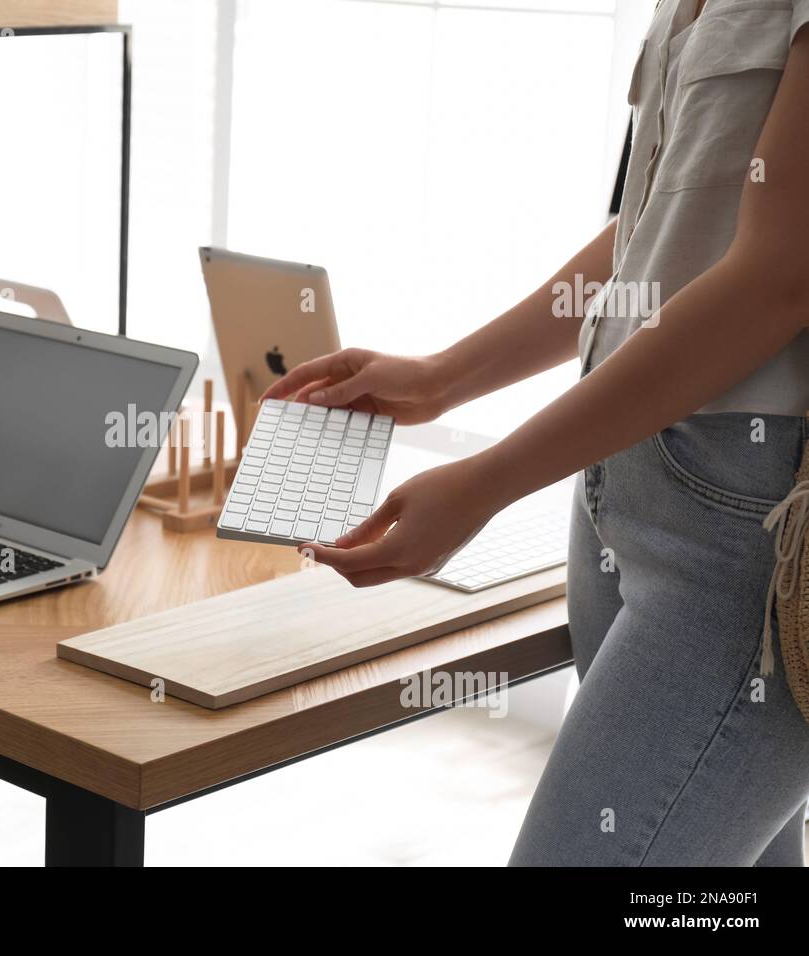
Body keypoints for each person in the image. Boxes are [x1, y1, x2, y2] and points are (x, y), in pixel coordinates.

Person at [264, 0, 809, 865]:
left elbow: (776, 282)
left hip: (748, 545)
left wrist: (485, 481)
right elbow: (654, 233)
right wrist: (444, 376)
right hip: (619, 494)